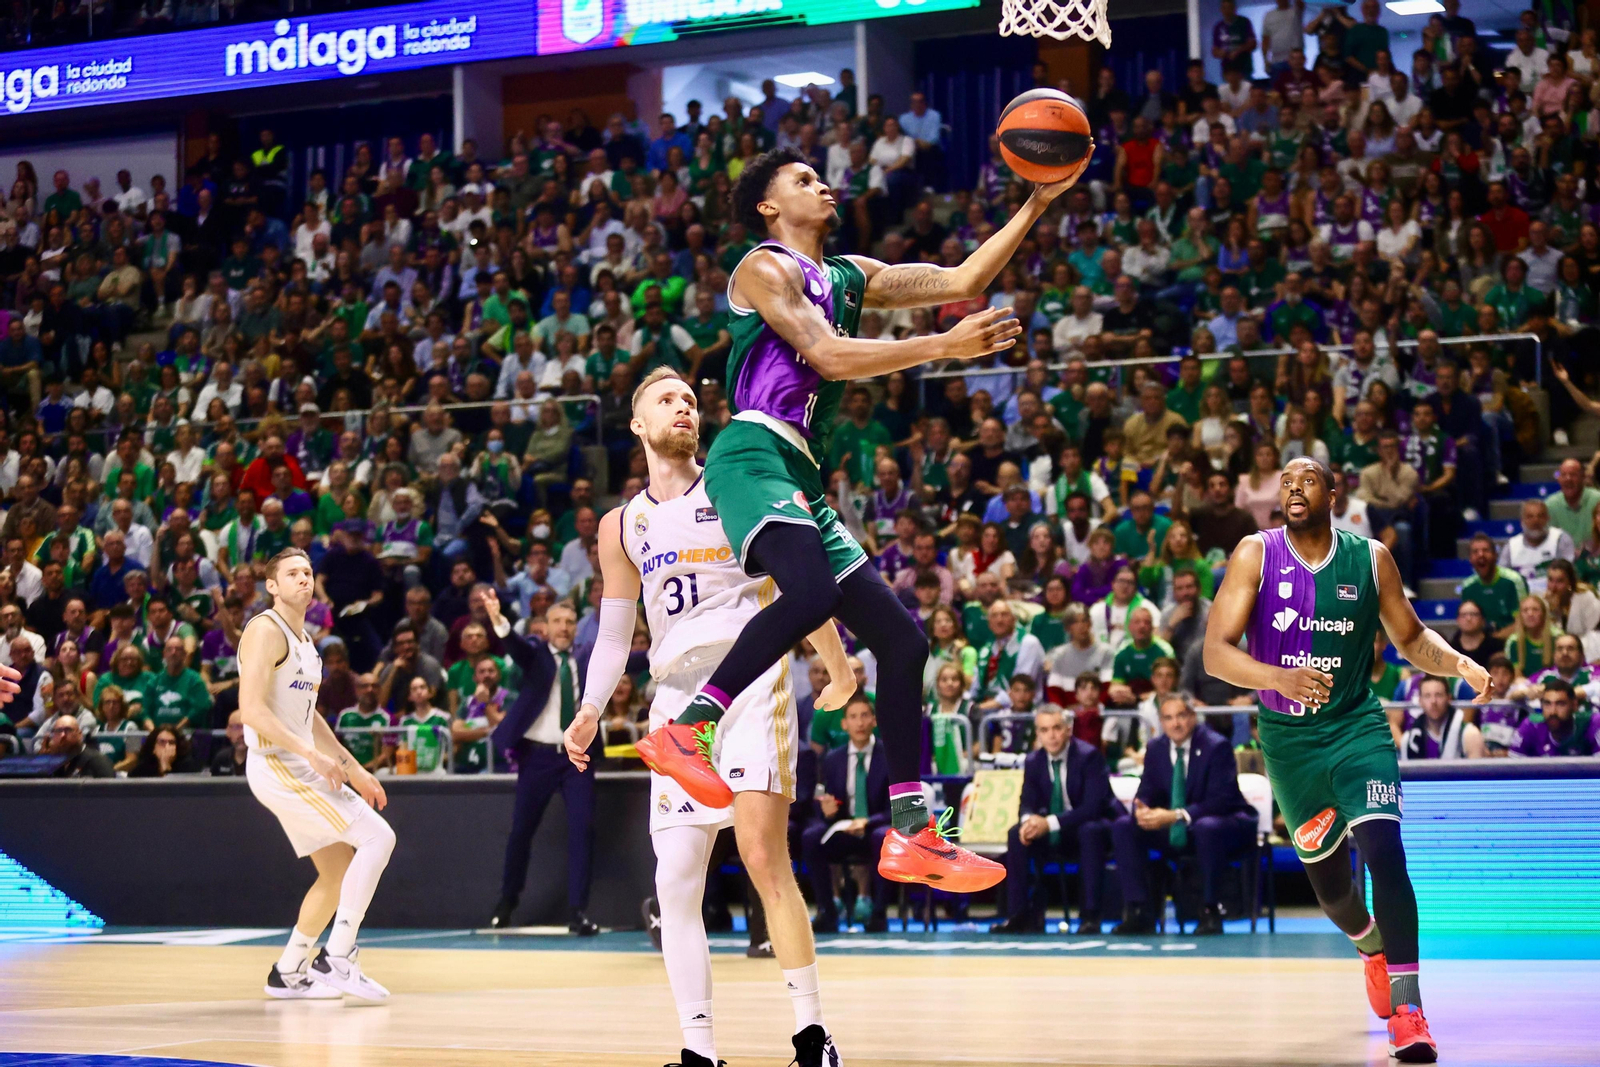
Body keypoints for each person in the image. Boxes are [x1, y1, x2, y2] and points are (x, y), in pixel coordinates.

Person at [642, 146, 1086, 892]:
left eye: (822, 175)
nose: (823, 184)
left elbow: (963, 280)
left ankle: (912, 831)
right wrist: (942, 345)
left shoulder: (850, 273)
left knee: (904, 642)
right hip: (751, 451)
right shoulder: (763, 266)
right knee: (811, 594)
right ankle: (690, 725)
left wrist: (1038, 202)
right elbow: (826, 353)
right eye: (803, 180)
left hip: (803, 474)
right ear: (769, 206)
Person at [562, 369, 853, 1067]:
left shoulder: (735, 488)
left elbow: (797, 585)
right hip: (676, 700)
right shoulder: (622, 524)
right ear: (637, 424)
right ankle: (699, 1051)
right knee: (674, 877)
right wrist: (587, 710)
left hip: (749, 681)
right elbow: (613, 633)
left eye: (691, 398)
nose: (683, 405)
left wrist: (837, 665)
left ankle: (813, 1036)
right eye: (666, 398)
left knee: (761, 854)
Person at [1204, 457, 1492, 1063]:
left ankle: (1410, 1012)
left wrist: (1459, 663)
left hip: (1357, 726)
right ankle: (1370, 946)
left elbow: (1411, 639)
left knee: (1385, 853)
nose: (1293, 489)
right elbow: (1214, 654)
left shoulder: (1370, 558)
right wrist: (1278, 675)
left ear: (1334, 492)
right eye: (1285, 482)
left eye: (1306, 479)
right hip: (1288, 742)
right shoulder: (1256, 553)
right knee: (1335, 895)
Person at [237, 548, 395, 1002]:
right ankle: (338, 957)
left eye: (308, 572)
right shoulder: (266, 630)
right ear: (272, 585)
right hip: (275, 764)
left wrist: (356, 769)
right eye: (292, 573)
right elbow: (251, 710)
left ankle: (287, 972)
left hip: (297, 762)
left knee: (338, 873)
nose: (304, 579)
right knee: (378, 838)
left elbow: (312, 721)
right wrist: (311, 754)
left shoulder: (307, 643)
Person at [486, 594, 600, 937]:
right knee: (521, 830)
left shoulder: (587, 656)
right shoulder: (536, 654)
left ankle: (579, 911)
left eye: (569, 622)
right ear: (545, 627)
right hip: (536, 756)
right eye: (557, 622)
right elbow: (515, 647)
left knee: (583, 830)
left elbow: (628, 659)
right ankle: (506, 903)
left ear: (576, 627)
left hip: (577, 757)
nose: (563, 628)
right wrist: (499, 620)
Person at [1109, 695, 1258, 937]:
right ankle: (1139, 912)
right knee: (1125, 825)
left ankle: (1210, 911)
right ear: (1161, 722)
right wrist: (1144, 810)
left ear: (1192, 717)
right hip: (1177, 826)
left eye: (1181, 716)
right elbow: (1147, 791)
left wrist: (1175, 815)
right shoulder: (1156, 748)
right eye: (1168, 718)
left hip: (1224, 823)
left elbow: (1222, 800)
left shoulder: (1216, 745)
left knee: (1206, 827)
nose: (1175, 724)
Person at [990, 707, 1115, 934]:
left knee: (1090, 831)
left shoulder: (1089, 757)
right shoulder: (1034, 761)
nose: (1052, 735)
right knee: (1016, 834)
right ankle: (1020, 916)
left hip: (1088, 826)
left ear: (1068, 730)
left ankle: (1090, 917)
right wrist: (1029, 822)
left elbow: (1092, 808)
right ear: (1038, 734)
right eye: (1045, 730)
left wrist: (1049, 823)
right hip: (1051, 830)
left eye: (1057, 728)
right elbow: (1026, 801)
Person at [802, 694, 894, 934]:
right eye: (853, 717)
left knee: (882, 838)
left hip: (876, 827)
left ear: (874, 720)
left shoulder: (891, 757)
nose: (860, 723)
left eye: (865, 716)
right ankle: (827, 911)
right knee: (812, 837)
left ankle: (878, 913)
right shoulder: (833, 759)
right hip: (845, 828)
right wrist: (827, 811)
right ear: (844, 724)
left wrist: (868, 821)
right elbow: (827, 802)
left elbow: (894, 806)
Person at [1399, 676, 1485, 760]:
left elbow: (1477, 774)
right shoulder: (1408, 740)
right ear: (1420, 701)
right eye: (1427, 696)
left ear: (1449, 698)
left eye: (1439, 695)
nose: (1433, 701)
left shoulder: (1470, 735)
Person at [40, 713, 114, 777]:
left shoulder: (98, 761)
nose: (63, 735)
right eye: (58, 731)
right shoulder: (54, 763)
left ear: (80, 734)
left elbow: (110, 791)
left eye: (68, 730)